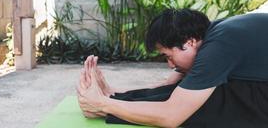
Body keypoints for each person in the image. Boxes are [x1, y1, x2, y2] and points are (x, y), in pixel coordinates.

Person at [76, 8, 268, 128]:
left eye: (169, 56)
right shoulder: (214, 31)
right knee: (185, 91)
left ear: (190, 42)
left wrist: (103, 104)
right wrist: (115, 94)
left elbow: (171, 116)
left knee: (209, 104)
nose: (170, 65)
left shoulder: (220, 45)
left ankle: (103, 108)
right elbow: (170, 86)